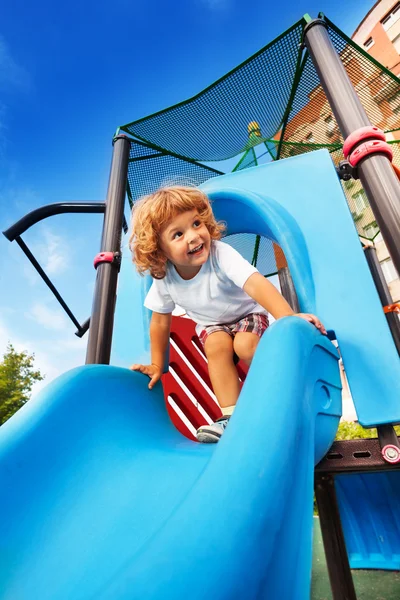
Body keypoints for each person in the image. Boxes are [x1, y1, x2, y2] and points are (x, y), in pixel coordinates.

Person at [129, 186, 326, 443]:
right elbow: (159, 322)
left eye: (196, 223)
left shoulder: (220, 254)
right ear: (159, 250)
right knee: (215, 346)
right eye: (178, 234)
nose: (193, 236)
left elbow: (255, 284)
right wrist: (158, 364)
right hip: (213, 325)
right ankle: (231, 418)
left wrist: (288, 317)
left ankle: (283, 390)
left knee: (245, 345)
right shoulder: (165, 277)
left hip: (247, 313)